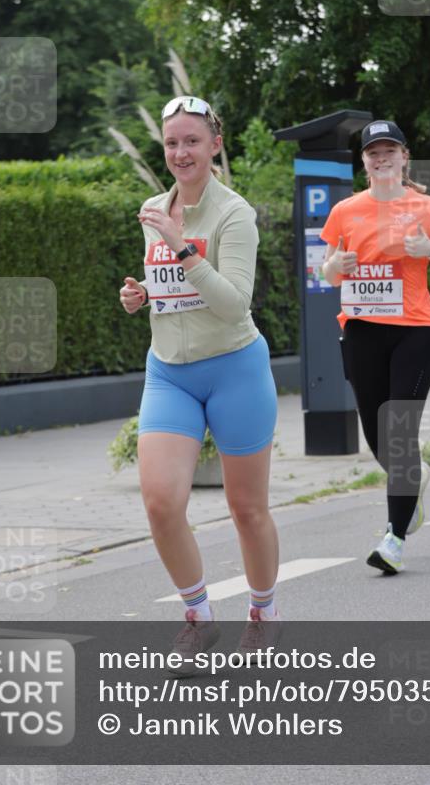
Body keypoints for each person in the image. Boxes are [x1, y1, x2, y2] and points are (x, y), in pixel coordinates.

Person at [119, 95, 281, 661]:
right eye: (171, 143)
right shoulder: (153, 208)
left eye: (192, 141)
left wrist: (180, 245)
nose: (181, 152)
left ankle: (263, 613)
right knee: (161, 503)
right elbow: (175, 290)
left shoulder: (235, 214)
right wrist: (143, 295)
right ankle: (199, 616)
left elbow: (233, 304)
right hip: (169, 373)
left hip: (235, 368)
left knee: (247, 508)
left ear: (215, 145)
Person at [320, 120, 430, 574]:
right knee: (377, 435)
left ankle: (393, 539)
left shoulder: (428, 208)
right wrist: (336, 264)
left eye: (389, 151)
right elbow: (326, 273)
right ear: (364, 162)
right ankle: (413, 482)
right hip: (362, 332)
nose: (381, 159)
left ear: (405, 156)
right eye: (373, 153)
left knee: (399, 433)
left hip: (415, 332)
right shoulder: (345, 211)